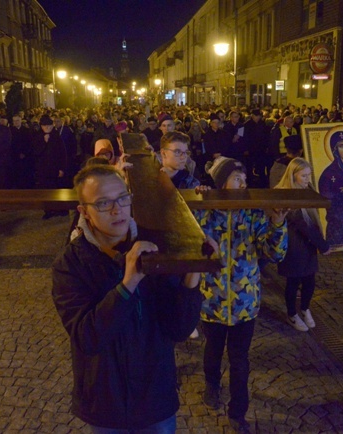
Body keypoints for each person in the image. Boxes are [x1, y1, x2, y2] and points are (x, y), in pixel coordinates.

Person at [52, 164, 203, 433]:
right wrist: (129, 282)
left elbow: (178, 329)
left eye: (123, 198)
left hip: (155, 396)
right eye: (103, 203)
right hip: (105, 401)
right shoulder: (71, 263)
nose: (116, 209)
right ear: (83, 211)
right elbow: (87, 336)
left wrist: (192, 272)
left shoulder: (156, 247)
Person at [197, 156, 288, 433]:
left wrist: (277, 225)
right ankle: (211, 383)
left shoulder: (253, 213)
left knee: (240, 359)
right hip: (211, 298)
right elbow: (190, 238)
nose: (244, 184)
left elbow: (274, 254)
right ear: (222, 182)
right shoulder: (207, 211)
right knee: (212, 350)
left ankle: (238, 410)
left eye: (245, 180)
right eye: (238, 179)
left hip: (244, 302)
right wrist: (199, 203)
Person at [275, 158, 330, 331]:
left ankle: (305, 308)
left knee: (309, 280)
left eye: (309, 175)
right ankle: (292, 314)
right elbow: (302, 224)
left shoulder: (307, 190)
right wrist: (323, 245)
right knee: (294, 280)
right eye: (304, 175)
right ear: (293, 175)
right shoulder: (286, 195)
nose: (308, 179)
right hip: (294, 245)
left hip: (307, 245)